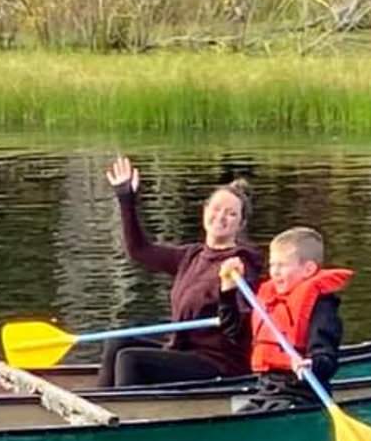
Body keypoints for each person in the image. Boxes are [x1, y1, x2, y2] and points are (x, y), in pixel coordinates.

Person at [98, 156, 262, 386]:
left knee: (130, 360)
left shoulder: (242, 264)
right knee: (116, 342)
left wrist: (228, 291)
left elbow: (236, 328)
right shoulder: (192, 256)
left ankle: (128, 416)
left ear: (241, 224)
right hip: (184, 351)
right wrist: (126, 199)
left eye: (231, 214)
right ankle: (103, 408)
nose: (221, 217)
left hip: (220, 363)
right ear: (205, 210)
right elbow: (139, 250)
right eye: (216, 209)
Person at [219, 226, 351, 412]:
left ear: (308, 269)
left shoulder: (322, 308)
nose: (275, 272)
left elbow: (327, 357)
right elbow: (233, 332)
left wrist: (312, 364)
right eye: (272, 265)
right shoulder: (267, 299)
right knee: (243, 413)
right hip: (266, 390)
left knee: (270, 413)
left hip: (302, 394)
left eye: (282, 265)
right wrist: (228, 292)